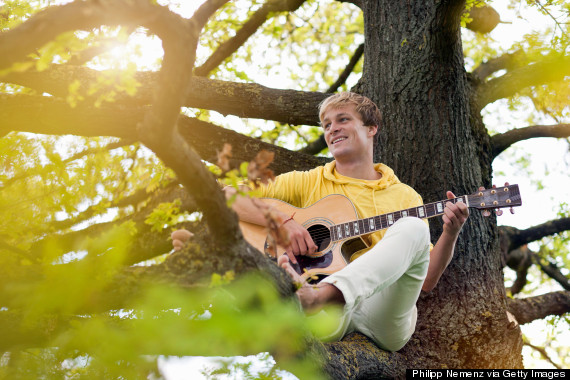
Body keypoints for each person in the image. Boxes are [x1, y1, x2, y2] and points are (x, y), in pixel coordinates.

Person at [172, 92, 469, 352]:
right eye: (326, 125)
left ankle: (304, 292)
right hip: (326, 311)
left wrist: (451, 232)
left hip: (384, 312)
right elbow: (228, 196)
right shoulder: (309, 181)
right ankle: (214, 267)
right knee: (265, 297)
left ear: (371, 128)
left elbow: (427, 279)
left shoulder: (404, 195)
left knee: (413, 227)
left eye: (342, 119)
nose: (332, 129)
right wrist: (282, 220)